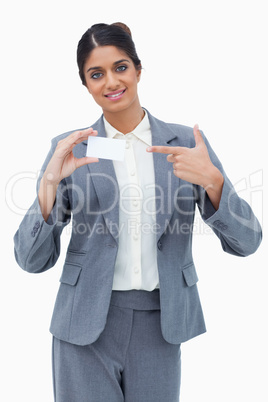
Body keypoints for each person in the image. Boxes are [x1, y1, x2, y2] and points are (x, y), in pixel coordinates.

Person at [14, 22, 262, 402]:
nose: (111, 81)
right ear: (85, 84)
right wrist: (47, 185)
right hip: (83, 325)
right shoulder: (71, 149)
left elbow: (248, 242)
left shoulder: (185, 144)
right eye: (96, 74)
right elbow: (31, 261)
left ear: (138, 70)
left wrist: (215, 184)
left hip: (161, 324)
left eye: (121, 67)